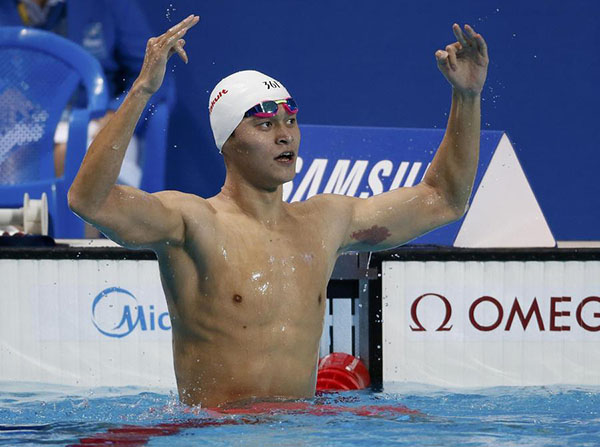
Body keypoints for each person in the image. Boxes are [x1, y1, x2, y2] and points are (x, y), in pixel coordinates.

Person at [68, 15, 489, 408]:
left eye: (290, 121)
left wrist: (466, 96)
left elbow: (444, 199)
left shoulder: (325, 222)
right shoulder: (191, 222)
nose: (285, 135)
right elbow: (90, 200)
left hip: (300, 428)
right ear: (227, 141)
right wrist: (142, 88)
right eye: (266, 125)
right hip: (214, 432)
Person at [0, 0, 174, 187]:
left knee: (78, 160)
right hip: (16, 128)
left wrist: (115, 116)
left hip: (95, 124)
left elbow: (154, 78)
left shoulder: (110, 5)